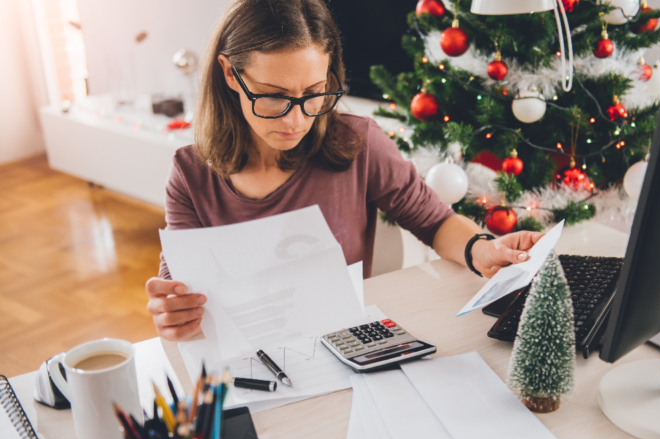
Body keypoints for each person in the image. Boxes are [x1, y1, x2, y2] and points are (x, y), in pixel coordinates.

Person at [146, 0, 543, 341]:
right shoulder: (190, 174)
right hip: (248, 356)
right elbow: (180, 291)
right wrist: (173, 312)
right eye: (275, 97)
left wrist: (484, 249)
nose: (297, 120)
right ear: (231, 74)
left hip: (344, 344)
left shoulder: (359, 143)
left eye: (314, 93)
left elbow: (435, 222)